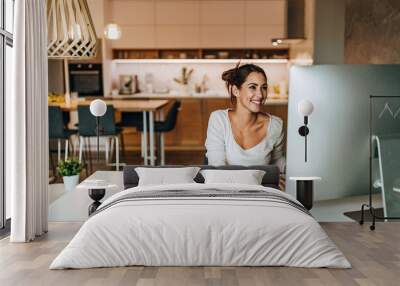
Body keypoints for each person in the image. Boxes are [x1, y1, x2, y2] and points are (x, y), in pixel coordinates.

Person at [205, 63, 285, 172]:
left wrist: (282, 176)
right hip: (227, 187)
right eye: (253, 87)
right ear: (235, 91)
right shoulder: (219, 120)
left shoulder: (275, 125)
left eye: (264, 88)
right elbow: (218, 168)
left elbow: (277, 162)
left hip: (261, 188)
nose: (260, 95)